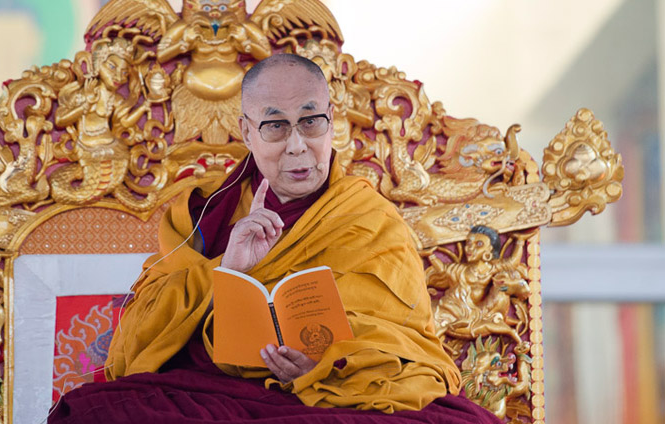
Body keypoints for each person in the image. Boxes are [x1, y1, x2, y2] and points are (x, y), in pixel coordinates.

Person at [49, 54, 503, 423]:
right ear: (247, 132)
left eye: (311, 122)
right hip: (220, 393)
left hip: (337, 394)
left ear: (332, 125)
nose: (297, 146)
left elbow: (415, 354)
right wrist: (226, 270)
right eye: (275, 125)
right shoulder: (205, 213)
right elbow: (134, 341)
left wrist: (327, 366)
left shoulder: (371, 220)